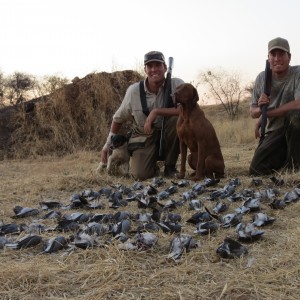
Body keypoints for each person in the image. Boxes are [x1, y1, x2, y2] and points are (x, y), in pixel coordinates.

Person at [100, 51, 184, 180]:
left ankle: (170, 167)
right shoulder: (133, 91)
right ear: (145, 69)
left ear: (165, 68)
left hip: (169, 133)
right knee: (139, 175)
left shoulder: (177, 84)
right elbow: (118, 119)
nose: (154, 69)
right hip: (144, 135)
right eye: (150, 66)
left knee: (177, 120)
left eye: (158, 65)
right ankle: (151, 166)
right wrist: (107, 146)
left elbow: (186, 110)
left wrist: (156, 112)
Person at [249, 37, 300, 175]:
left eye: (281, 54)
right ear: (268, 58)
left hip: (296, 129)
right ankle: (287, 161)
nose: (277, 58)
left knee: (295, 116)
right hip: (275, 131)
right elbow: (253, 111)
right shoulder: (262, 78)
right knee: (256, 169)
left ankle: (294, 168)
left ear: (289, 57)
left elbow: (298, 104)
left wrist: (267, 114)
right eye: (273, 54)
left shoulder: (298, 73)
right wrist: (260, 108)